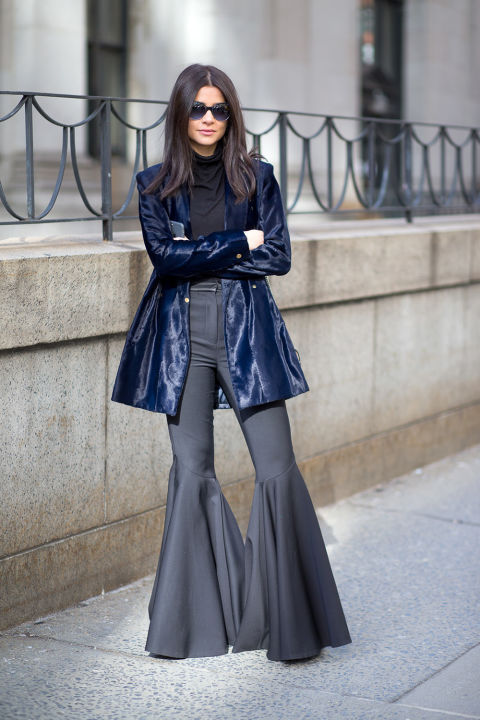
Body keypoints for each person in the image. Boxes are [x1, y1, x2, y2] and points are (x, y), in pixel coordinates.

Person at [111, 63, 351, 662]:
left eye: (220, 110)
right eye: (199, 110)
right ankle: (190, 628)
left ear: (232, 115)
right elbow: (167, 260)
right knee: (192, 470)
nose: (211, 120)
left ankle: (289, 627)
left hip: (247, 330)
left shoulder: (257, 177)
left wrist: (208, 252)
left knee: (276, 465)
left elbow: (277, 256)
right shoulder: (153, 183)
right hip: (180, 335)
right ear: (181, 114)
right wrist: (236, 242)